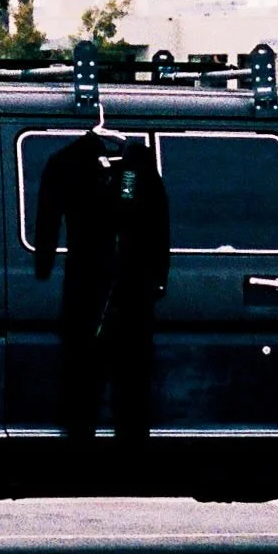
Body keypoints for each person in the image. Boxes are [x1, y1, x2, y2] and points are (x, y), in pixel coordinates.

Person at [32, 129, 171, 442]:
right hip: (90, 288)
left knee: (129, 380)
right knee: (85, 378)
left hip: (128, 290)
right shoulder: (67, 162)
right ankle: (86, 450)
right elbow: (48, 217)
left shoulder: (139, 165)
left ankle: (127, 452)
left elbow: (161, 226)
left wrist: (159, 277)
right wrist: (44, 262)